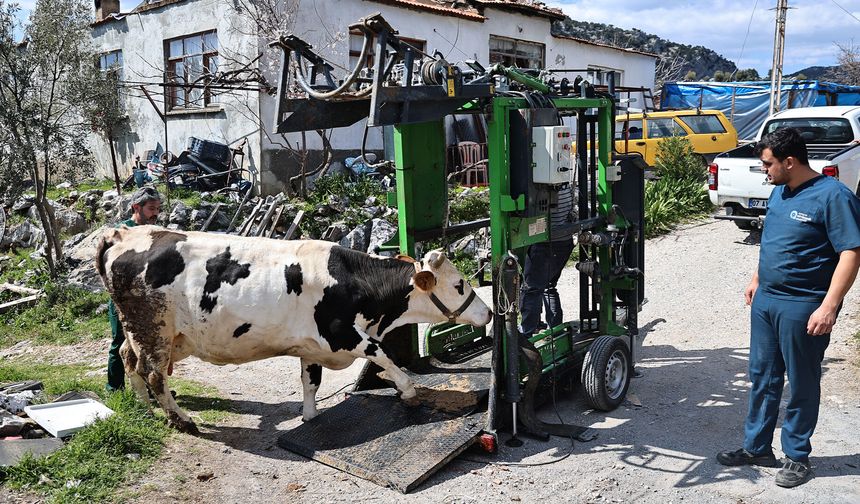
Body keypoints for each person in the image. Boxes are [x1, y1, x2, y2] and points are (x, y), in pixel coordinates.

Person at [716, 127, 860, 488]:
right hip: (767, 301)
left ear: (790, 161)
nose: (764, 171)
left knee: (802, 381)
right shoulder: (780, 190)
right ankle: (757, 448)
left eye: (768, 164)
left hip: (803, 304)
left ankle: (797, 456)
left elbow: (851, 253)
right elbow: (772, 239)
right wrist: (757, 278)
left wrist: (829, 306)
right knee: (762, 376)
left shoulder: (833, 196)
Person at [106, 186, 162, 392]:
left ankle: (151, 388)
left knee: (148, 344)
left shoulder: (156, 232)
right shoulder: (121, 233)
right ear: (136, 207)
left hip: (147, 298)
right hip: (123, 298)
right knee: (120, 342)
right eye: (151, 209)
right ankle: (115, 389)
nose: (156, 213)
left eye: (158, 209)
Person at [519, 184, 576, 338]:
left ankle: (526, 334)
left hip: (545, 243)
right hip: (564, 241)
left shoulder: (540, 187)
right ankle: (555, 329)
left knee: (531, 290)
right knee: (549, 286)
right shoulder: (564, 184)